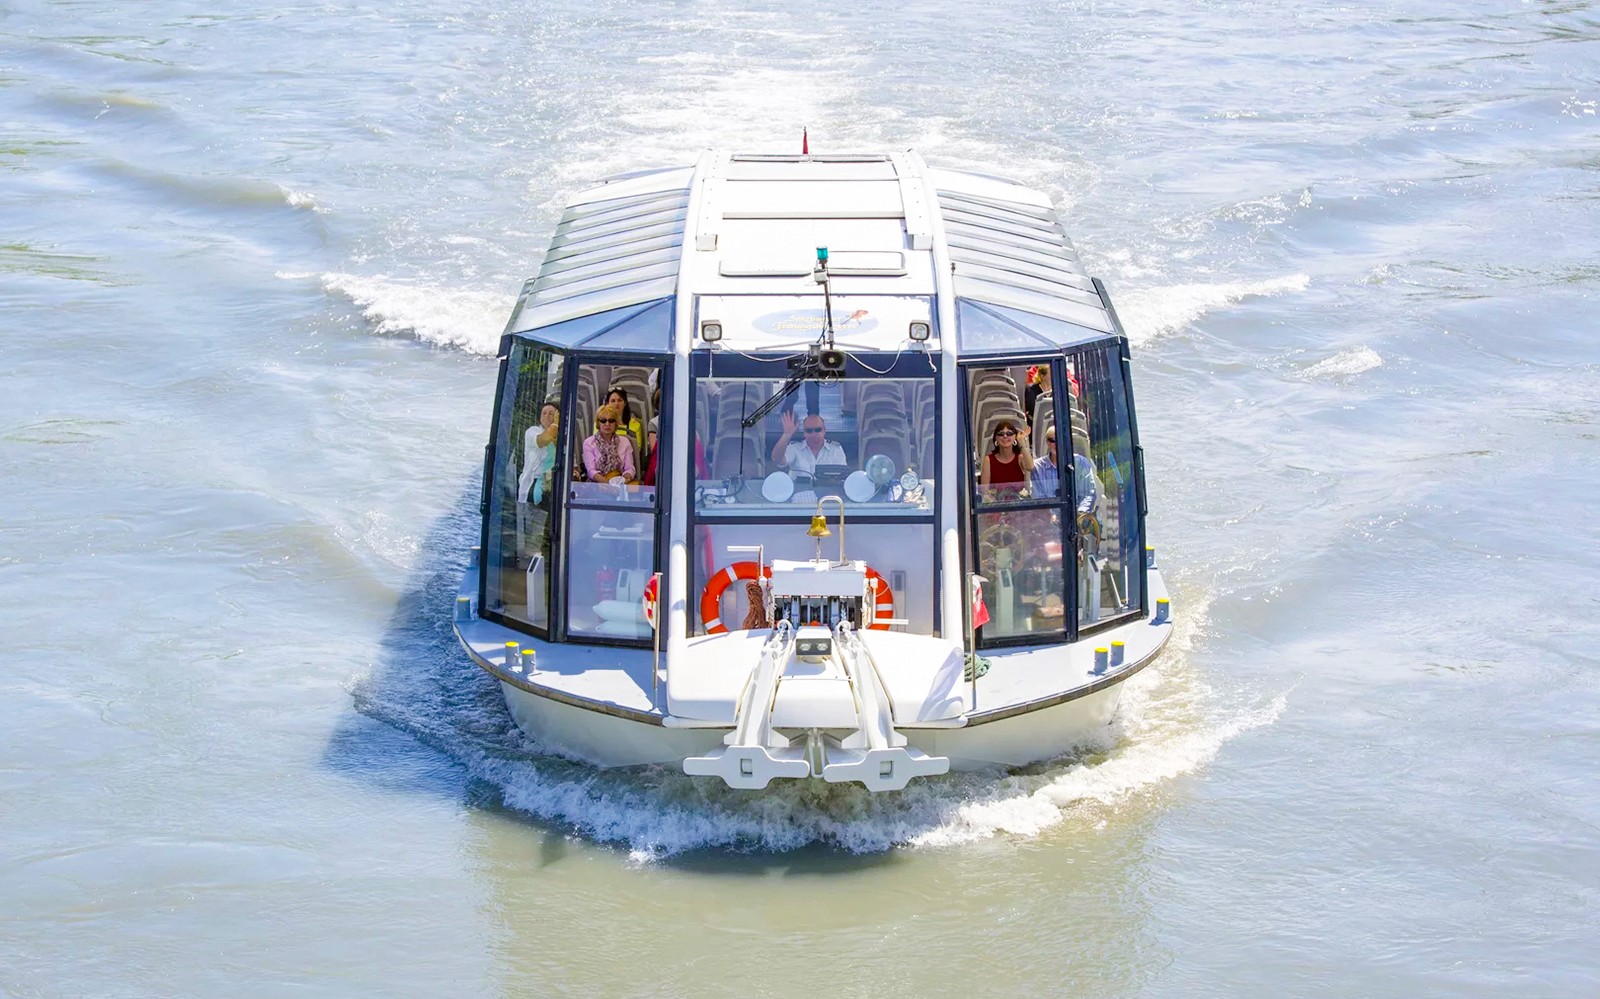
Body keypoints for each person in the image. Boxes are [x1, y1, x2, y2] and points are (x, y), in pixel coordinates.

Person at [771, 411, 847, 479]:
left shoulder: (836, 450)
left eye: (817, 430)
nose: (814, 434)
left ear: (824, 430)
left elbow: (842, 477)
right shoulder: (794, 448)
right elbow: (777, 459)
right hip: (800, 493)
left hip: (827, 494)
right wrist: (787, 435)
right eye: (809, 430)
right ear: (804, 432)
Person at [582, 402, 636, 484]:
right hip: (597, 485)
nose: (607, 424)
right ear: (598, 423)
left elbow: (630, 468)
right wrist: (608, 484)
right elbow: (591, 471)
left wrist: (623, 480)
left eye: (611, 420)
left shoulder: (625, 442)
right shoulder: (589, 443)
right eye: (603, 421)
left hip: (621, 485)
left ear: (616, 423)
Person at [517, 401, 560, 504]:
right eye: (544, 413)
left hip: (555, 481)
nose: (547, 416)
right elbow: (544, 440)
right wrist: (555, 424)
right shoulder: (532, 431)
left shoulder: (563, 436)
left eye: (551, 413)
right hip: (535, 481)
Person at [979, 418, 1032, 497]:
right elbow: (984, 491)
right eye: (1001, 434)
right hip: (997, 504)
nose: (1005, 436)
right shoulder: (989, 460)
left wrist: (1021, 441)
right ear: (996, 438)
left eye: (1009, 433)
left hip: (1018, 504)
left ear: (1014, 437)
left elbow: (1030, 467)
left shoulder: (1019, 457)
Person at [1029, 427, 1059, 499]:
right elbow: (1039, 499)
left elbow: (1088, 495)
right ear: (1047, 442)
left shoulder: (1081, 463)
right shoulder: (1037, 467)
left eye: (1060, 439)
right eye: (1053, 440)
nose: (1057, 443)